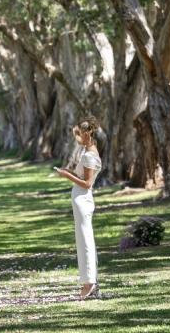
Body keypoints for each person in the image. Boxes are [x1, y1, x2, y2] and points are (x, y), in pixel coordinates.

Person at [54, 118, 102, 299]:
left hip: (83, 199)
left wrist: (67, 175)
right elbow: (82, 176)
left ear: (87, 134)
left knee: (85, 241)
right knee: (82, 240)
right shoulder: (87, 152)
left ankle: (89, 283)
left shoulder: (90, 155)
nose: (77, 138)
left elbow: (87, 183)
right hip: (80, 199)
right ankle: (89, 281)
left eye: (79, 134)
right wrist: (70, 171)